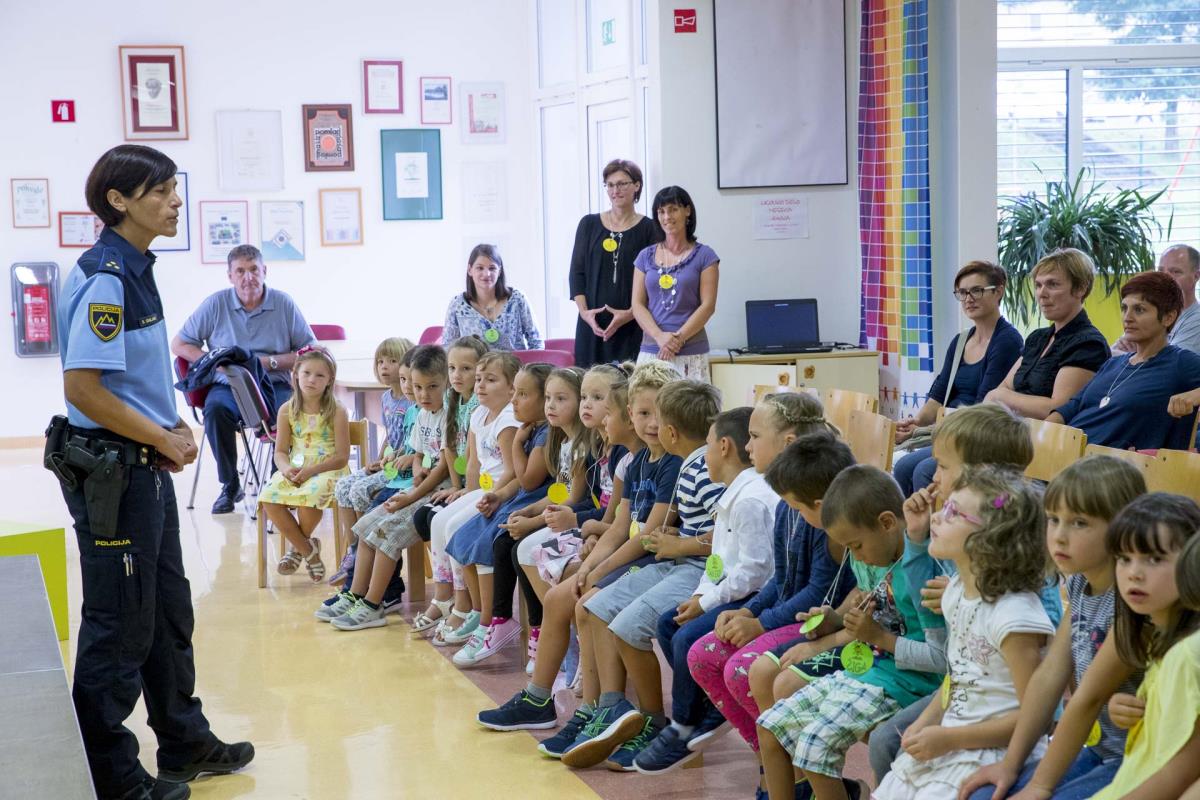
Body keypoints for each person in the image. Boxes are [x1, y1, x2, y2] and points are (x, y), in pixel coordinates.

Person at [51, 144, 252, 800]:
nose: (175, 201)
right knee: (119, 622)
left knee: (165, 611)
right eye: (160, 191)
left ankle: (184, 739)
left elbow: (131, 379)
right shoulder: (106, 277)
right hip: (116, 472)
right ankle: (111, 774)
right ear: (118, 200)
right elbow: (83, 388)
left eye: (173, 188)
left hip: (143, 464)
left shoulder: (136, 268)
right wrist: (160, 434)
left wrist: (170, 426)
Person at [958, 456, 1146, 800]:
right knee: (982, 795)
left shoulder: (1132, 604)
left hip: (1134, 759)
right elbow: (1050, 675)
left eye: (1079, 523)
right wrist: (1010, 765)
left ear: (1123, 528)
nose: (1058, 536)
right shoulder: (1080, 584)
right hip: (1098, 749)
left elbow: (1087, 699)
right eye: (1053, 519)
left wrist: (1039, 787)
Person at [684, 395, 848, 786]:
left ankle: (798, 778)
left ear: (788, 443)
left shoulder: (819, 506)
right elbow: (780, 578)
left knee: (743, 669)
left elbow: (819, 593)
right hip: (788, 614)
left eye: (755, 436)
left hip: (819, 621)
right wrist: (750, 612)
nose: (747, 446)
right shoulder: (786, 502)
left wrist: (761, 624)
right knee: (702, 655)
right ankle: (771, 762)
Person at [756, 456, 941, 800]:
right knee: (770, 727)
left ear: (887, 523)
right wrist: (837, 619)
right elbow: (870, 603)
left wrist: (878, 637)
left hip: (909, 682)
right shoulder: (872, 555)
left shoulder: (922, 572)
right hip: (871, 669)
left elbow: (941, 659)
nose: (855, 556)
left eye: (856, 545)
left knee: (814, 745)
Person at [561, 380, 724, 771]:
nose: (649, 426)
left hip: (699, 569)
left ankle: (654, 721)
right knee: (597, 607)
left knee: (628, 625)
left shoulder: (702, 469)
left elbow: (726, 536)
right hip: (679, 560)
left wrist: (680, 545)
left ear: (670, 431)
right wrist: (674, 538)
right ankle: (616, 709)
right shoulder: (688, 463)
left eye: (657, 418)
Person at [474, 369, 642, 741]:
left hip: (626, 551)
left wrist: (587, 532)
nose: (588, 406)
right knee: (538, 571)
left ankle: (591, 696)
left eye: (598, 399)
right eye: (586, 397)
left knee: (568, 584)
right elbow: (606, 515)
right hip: (603, 539)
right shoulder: (604, 448)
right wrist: (585, 528)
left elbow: (619, 521)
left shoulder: (627, 457)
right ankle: (542, 695)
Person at [1000, 493, 1200, 800]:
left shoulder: (1187, 653)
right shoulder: (1159, 637)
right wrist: (1130, 711)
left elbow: (1180, 769)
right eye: (1124, 558)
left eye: (1154, 559)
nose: (1133, 573)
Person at [873, 466, 1056, 799]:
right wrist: (927, 720)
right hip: (955, 738)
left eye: (953, 513)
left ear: (991, 539)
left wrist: (950, 738)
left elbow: (1037, 716)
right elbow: (957, 674)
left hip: (996, 751)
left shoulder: (1014, 617)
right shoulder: (956, 591)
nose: (937, 517)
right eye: (945, 507)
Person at [634, 406, 779, 775]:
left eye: (708, 446)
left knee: (688, 638)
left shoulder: (750, 499)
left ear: (724, 447)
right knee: (669, 624)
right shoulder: (733, 495)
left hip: (758, 595)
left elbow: (756, 571)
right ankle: (713, 704)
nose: (704, 457)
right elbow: (719, 561)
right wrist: (701, 596)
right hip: (734, 588)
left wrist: (710, 601)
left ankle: (683, 724)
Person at [171, 244, 315, 514]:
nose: (248, 277)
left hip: (274, 383)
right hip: (229, 384)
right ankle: (229, 485)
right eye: (240, 271)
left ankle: (278, 483)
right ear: (230, 276)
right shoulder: (216, 304)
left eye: (253, 270)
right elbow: (179, 344)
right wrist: (213, 361)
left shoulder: (283, 303)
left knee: (288, 413)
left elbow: (309, 351)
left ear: (264, 271)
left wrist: (267, 363)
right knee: (215, 410)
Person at [327, 344, 451, 630]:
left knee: (386, 533)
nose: (423, 394)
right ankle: (355, 594)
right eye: (418, 387)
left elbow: (443, 467)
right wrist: (417, 471)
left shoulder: (449, 416)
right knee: (366, 527)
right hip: (419, 486)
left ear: (446, 383)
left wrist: (413, 492)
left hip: (434, 490)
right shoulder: (422, 414)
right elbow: (419, 454)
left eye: (432, 387)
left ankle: (374, 604)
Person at [407, 351, 519, 635]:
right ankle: (445, 597)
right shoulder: (478, 413)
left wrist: (488, 496)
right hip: (482, 488)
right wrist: (465, 491)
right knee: (438, 521)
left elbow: (512, 471)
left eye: (490, 380)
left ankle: (465, 605)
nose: (480, 385)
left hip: (502, 492)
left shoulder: (508, 419)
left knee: (455, 526)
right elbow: (473, 463)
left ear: (511, 387)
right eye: (479, 379)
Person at [893, 261, 1023, 496]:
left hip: (976, 437)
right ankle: (914, 520)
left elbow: (982, 407)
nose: (968, 299)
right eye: (962, 293)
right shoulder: (961, 340)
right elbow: (939, 394)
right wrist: (917, 423)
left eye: (976, 291)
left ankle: (941, 521)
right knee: (903, 467)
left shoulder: (1008, 341)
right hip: (948, 431)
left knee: (922, 470)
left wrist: (926, 430)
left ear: (998, 291)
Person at [1048, 271, 1200, 451]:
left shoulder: (1180, 363)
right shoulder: (1113, 363)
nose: (1127, 317)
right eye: (1124, 308)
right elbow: (1073, 407)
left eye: (1139, 309)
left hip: (1111, 464)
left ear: (1169, 317)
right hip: (1064, 451)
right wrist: (1041, 433)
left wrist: (1193, 396)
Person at [258, 346, 350, 582]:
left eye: (320, 375)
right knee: (268, 497)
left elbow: (342, 457)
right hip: (296, 469)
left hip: (329, 469)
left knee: (311, 495)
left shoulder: (337, 410)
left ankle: (297, 550)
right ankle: (309, 550)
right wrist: (286, 469)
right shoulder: (286, 410)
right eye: (307, 373)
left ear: (329, 380)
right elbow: (280, 452)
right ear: (295, 374)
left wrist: (312, 471)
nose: (312, 380)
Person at [983, 249, 1110, 419]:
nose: (1041, 294)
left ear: (1080, 288)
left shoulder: (1089, 344)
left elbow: (1059, 409)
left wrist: (1001, 397)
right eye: (1038, 285)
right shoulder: (1037, 338)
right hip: (1013, 428)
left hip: (1048, 433)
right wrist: (1000, 396)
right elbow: (1004, 386)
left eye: (1053, 284)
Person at [570, 159, 659, 367]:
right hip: (592, 327)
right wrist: (585, 313)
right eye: (610, 185)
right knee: (590, 382)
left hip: (632, 325)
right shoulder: (588, 224)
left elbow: (653, 282)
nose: (615, 190)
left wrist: (629, 314)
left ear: (636, 186)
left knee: (629, 381)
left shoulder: (650, 229)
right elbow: (576, 274)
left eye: (621, 184)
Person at [631, 186, 719, 382]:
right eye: (661, 211)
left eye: (673, 209)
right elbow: (637, 305)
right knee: (646, 401)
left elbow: (708, 306)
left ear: (687, 211)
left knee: (691, 403)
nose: (667, 217)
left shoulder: (706, 256)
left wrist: (677, 339)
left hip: (691, 351)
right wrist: (659, 337)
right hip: (652, 349)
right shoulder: (644, 256)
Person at [442, 243, 542, 350]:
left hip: (515, 361)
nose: (487, 274)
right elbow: (448, 348)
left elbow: (536, 342)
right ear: (470, 270)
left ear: (499, 271)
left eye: (492, 268)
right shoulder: (457, 304)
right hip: (475, 362)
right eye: (480, 268)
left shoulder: (517, 299)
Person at [1112, 244, 1200, 355]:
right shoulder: (1152, 312)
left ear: (1196, 276)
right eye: (1161, 271)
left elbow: (1172, 363)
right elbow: (1111, 353)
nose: (1164, 278)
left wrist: (1136, 353)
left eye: (1175, 271)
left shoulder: (1196, 320)